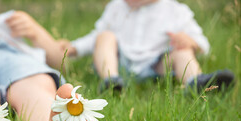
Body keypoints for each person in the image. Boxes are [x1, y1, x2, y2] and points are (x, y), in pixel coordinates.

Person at [59, 0, 234, 92]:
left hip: (157, 65)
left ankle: (196, 82)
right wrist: (73, 48)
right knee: (104, 36)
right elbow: (95, 37)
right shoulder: (116, 7)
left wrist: (191, 42)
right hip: (120, 63)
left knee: (183, 51)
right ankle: (110, 81)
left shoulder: (175, 10)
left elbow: (203, 43)